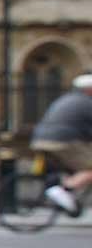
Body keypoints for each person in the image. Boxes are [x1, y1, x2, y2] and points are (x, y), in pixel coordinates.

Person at [31, 73, 92, 216]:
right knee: (90, 168)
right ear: (89, 89)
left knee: (74, 168)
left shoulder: (65, 99)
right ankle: (64, 190)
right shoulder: (87, 103)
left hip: (40, 140)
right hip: (61, 142)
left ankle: (69, 200)